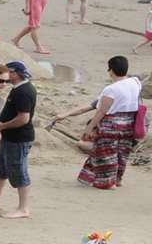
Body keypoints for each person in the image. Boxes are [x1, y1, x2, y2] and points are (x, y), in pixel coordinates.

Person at [54, 55, 142, 190]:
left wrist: (89, 128)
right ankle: (117, 179)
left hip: (111, 125)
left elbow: (100, 111)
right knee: (122, 152)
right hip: (129, 124)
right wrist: (66, 114)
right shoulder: (135, 82)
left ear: (111, 70)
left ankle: (107, 182)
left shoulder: (111, 89)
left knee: (106, 153)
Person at [0, 61, 36, 218]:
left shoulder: (23, 91)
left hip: (19, 138)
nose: (5, 78)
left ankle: (23, 208)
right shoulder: (18, 89)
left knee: (19, 171)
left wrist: (2, 126)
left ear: (16, 73)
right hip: (10, 137)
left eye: (8, 73)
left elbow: (23, 118)